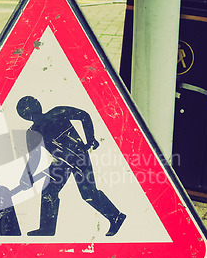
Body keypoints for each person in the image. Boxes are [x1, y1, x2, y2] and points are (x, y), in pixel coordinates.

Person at [16, 96, 126, 236]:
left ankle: (116, 216)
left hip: (79, 156)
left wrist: (90, 139)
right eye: (28, 111)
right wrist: (27, 177)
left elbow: (84, 116)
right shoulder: (32, 132)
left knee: (88, 193)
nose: (32, 112)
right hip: (61, 163)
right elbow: (34, 157)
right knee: (49, 190)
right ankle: (47, 228)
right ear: (25, 116)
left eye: (32, 107)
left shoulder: (57, 112)